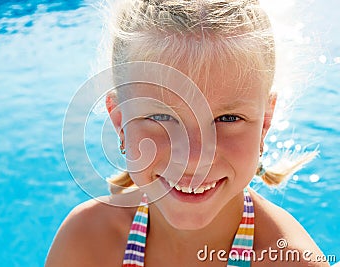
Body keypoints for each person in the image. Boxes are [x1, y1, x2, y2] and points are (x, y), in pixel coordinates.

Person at [45, 0, 328, 266]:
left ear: (265, 122)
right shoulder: (86, 243)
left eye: (227, 118)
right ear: (120, 121)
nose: (195, 158)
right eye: (161, 117)